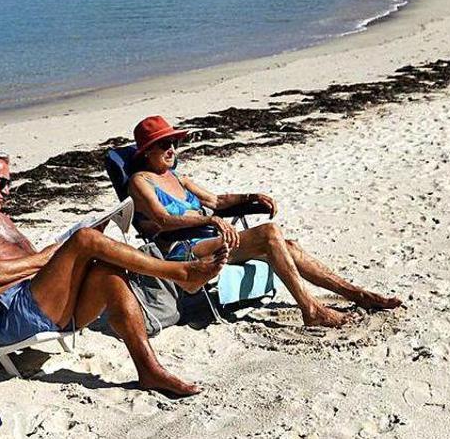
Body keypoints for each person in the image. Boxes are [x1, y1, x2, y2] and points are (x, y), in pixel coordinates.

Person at [0, 146, 226, 397]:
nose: (7, 191)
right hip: (11, 315)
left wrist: (64, 253)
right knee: (85, 240)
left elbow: (37, 264)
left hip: (44, 302)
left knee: (108, 273)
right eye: (1, 183)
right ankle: (180, 273)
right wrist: (55, 255)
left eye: (8, 184)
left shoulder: (1, 218)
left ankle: (148, 370)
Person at [126, 116, 403, 328]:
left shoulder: (178, 178)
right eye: (164, 144)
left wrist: (251, 196)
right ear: (147, 150)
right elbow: (162, 219)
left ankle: (356, 294)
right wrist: (212, 220)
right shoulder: (140, 181)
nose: (171, 148)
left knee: (288, 245)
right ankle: (312, 309)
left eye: (174, 142)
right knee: (270, 234)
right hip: (181, 250)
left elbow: (218, 201)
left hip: (208, 239)